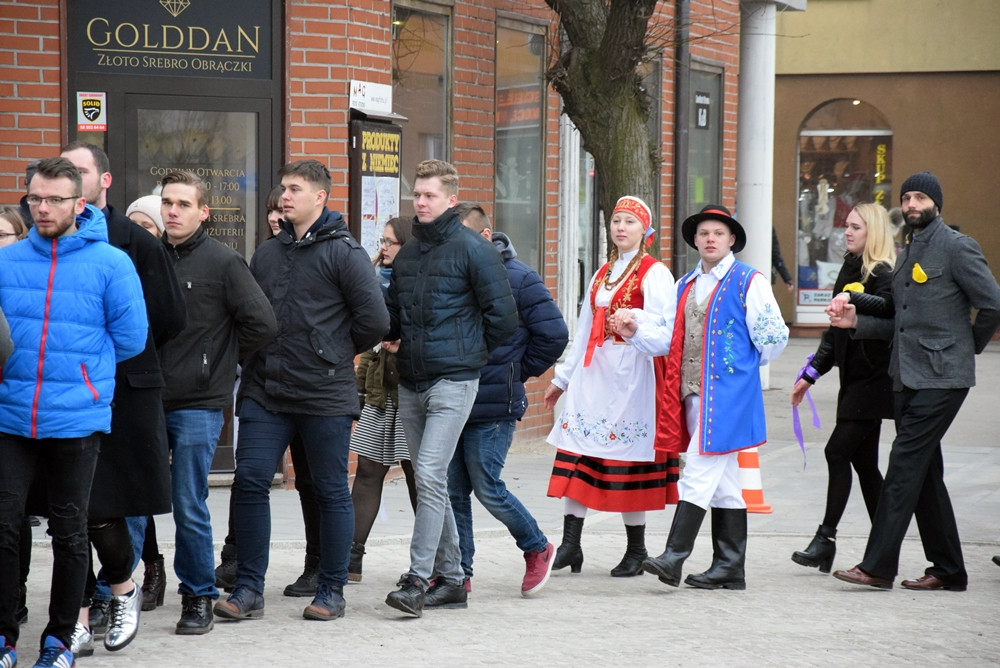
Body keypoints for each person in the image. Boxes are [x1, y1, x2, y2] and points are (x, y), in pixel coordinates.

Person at [216, 159, 388, 623]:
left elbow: (375, 322)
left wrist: (329, 351)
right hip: (265, 390)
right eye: (282, 188)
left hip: (323, 392)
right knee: (250, 481)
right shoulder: (268, 253)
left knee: (331, 489)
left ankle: (332, 589)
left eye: (295, 189)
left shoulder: (345, 252)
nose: (285, 196)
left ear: (320, 197)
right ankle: (249, 588)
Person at [0, 156, 147, 668]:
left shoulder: (111, 263)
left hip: (76, 417)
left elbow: (131, 339)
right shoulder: (8, 261)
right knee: (4, 526)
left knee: (69, 530)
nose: (42, 208)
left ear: (79, 203)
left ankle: (59, 640)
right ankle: (4, 639)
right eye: (35, 198)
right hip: (10, 414)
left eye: (55, 199)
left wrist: (84, 373)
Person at [830, 172, 1000, 591]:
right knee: (925, 473)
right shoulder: (906, 253)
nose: (911, 204)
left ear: (936, 204)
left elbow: (992, 304)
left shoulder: (957, 248)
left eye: (920, 197)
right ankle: (949, 569)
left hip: (943, 379)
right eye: (906, 198)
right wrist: (859, 322)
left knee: (903, 465)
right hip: (905, 377)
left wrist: (965, 348)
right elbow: (900, 325)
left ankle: (877, 566)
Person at [58, 142, 188, 656]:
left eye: (80, 171)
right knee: (67, 510)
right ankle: (78, 617)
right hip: (59, 393)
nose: (69, 181)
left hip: (121, 393)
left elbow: (169, 318)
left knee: (105, 507)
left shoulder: (135, 242)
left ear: (103, 181)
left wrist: (111, 350)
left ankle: (120, 590)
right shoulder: (45, 241)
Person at [383, 159, 517, 617]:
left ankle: (419, 577)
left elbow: (504, 318)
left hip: (454, 380)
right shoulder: (408, 253)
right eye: (417, 194)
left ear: (451, 199)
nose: (420, 202)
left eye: (429, 195)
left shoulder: (473, 249)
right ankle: (455, 580)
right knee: (426, 478)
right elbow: (395, 312)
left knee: (432, 474)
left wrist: (469, 356)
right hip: (411, 380)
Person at [636, 204, 788, 590]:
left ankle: (674, 556)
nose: (710, 239)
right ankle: (730, 567)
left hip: (728, 398)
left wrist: (741, 368)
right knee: (726, 484)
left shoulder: (748, 280)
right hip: (690, 394)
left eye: (718, 233)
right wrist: (632, 329)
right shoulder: (685, 284)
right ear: (695, 240)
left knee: (700, 472)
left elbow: (773, 336)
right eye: (704, 233)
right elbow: (665, 338)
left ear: (731, 239)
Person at [158, 170, 277, 634]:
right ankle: (118, 593)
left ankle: (198, 596)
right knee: (128, 505)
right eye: (167, 202)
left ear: (203, 212)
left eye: (184, 204)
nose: (173, 211)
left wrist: (222, 363)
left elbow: (262, 324)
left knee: (189, 502)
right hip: (146, 398)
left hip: (199, 403)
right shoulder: (147, 258)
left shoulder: (224, 262)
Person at [544, 196, 680, 579]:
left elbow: (666, 333)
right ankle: (571, 545)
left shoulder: (654, 273)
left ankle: (636, 549)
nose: (621, 227)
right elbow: (585, 326)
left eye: (629, 222)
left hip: (632, 374)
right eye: (616, 221)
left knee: (626, 458)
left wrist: (634, 323)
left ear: (644, 231)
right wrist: (562, 379)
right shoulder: (602, 272)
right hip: (594, 373)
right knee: (576, 450)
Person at [449, 203, 568, 596]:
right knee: (452, 491)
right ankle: (458, 572)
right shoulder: (451, 276)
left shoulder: (519, 278)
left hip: (495, 404)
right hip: (452, 399)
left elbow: (554, 335)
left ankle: (537, 546)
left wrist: (517, 371)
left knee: (486, 484)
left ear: (485, 237)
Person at [789, 203, 896, 573]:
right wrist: (811, 373)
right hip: (851, 379)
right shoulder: (850, 267)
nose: (847, 232)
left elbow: (889, 305)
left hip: (875, 379)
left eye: (855, 227)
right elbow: (834, 331)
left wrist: (852, 298)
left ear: (874, 232)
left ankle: (825, 538)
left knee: (837, 452)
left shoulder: (883, 270)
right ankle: (884, 548)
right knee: (865, 466)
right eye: (846, 226)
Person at [347, 216, 418, 583]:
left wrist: (406, 342)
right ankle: (351, 559)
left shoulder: (419, 282)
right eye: (383, 240)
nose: (385, 247)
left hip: (411, 393)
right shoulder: (375, 283)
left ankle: (430, 563)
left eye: (392, 241)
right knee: (368, 472)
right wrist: (360, 393)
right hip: (380, 394)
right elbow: (370, 351)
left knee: (417, 476)